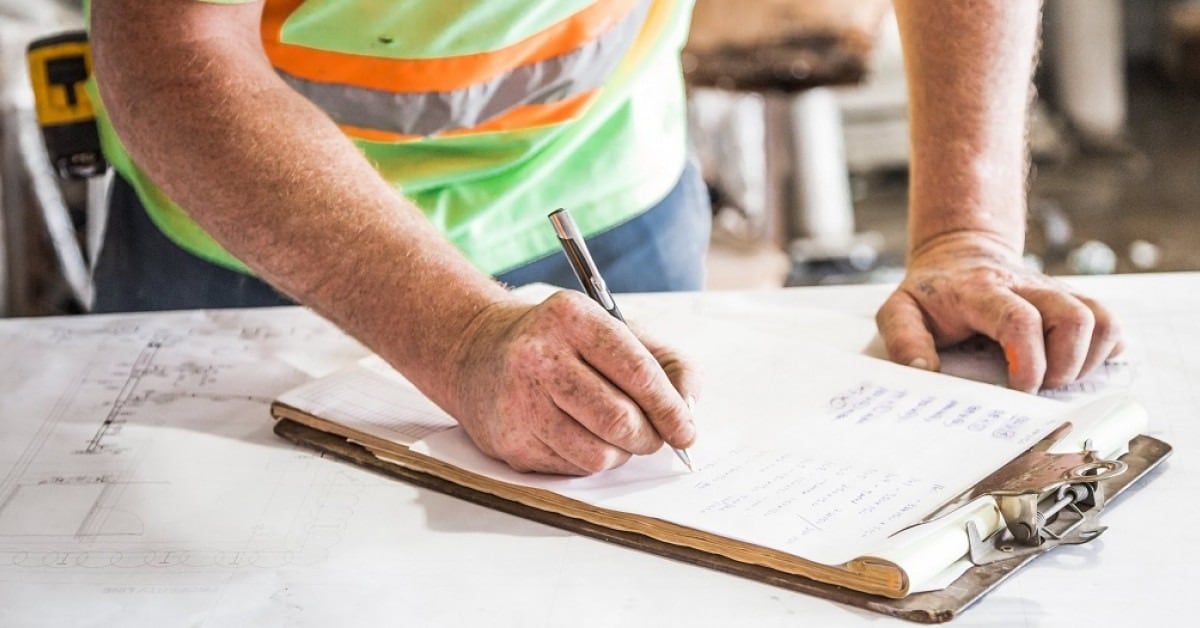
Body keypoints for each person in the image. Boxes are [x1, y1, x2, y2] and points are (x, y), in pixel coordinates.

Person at [88, 0, 1122, 475]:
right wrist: (454, 333)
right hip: (261, 245)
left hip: (607, 195)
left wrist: (967, 232)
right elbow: (172, 45)